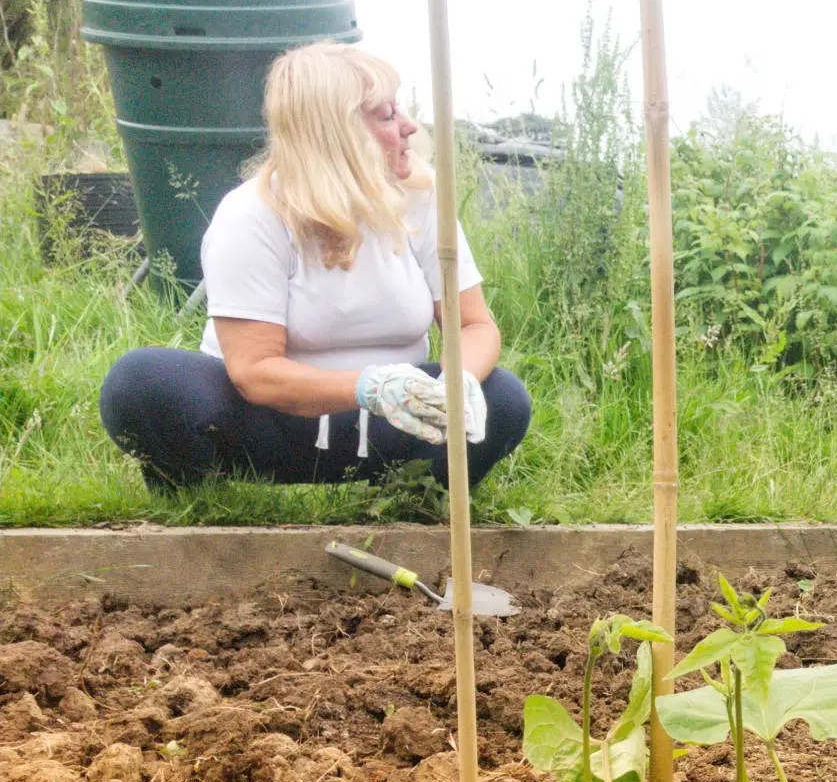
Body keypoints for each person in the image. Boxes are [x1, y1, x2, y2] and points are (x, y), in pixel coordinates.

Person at [100, 42, 530, 490]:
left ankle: (413, 497)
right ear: (337, 133)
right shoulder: (251, 216)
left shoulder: (422, 197)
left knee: (503, 398)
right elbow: (255, 372)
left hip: (397, 420)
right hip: (272, 423)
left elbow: (474, 326)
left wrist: (457, 384)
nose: (409, 127)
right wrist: (368, 387)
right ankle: (202, 496)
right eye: (386, 116)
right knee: (141, 383)